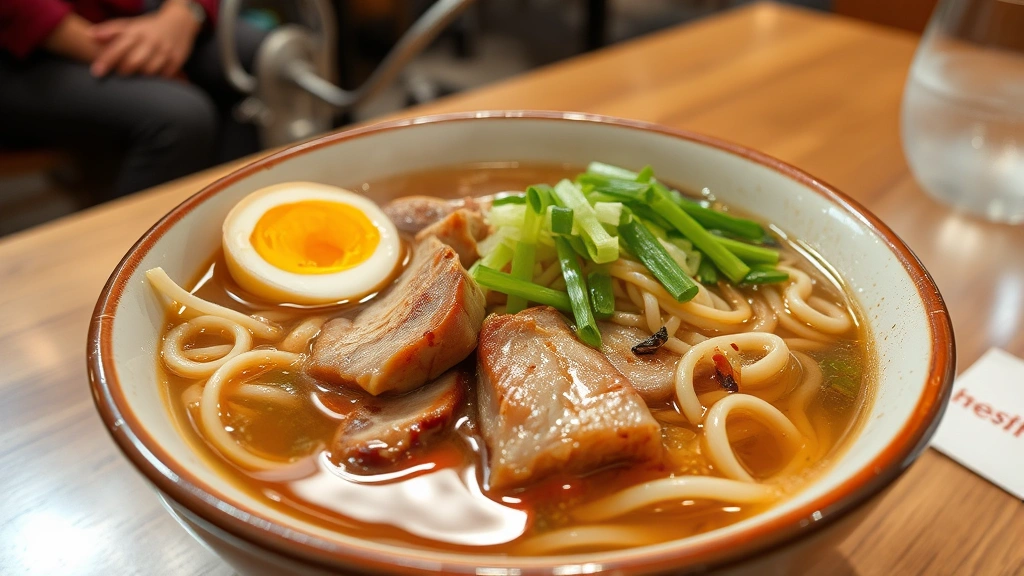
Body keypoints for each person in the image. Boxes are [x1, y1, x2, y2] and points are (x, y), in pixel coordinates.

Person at [0, 0, 266, 199]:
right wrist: (134, 55)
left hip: (128, 10)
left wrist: (183, 14)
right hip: (24, 42)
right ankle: (131, 261)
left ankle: (240, 218)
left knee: (267, 60)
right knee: (179, 116)